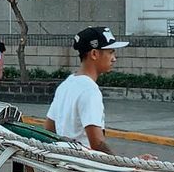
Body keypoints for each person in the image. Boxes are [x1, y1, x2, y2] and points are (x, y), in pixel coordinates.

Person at [45, 26, 130, 154]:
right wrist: (129, 164)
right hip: (83, 167)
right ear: (94, 54)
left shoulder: (67, 84)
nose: (114, 58)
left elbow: (48, 130)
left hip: (66, 163)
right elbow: (97, 144)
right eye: (110, 52)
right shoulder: (90, 91)